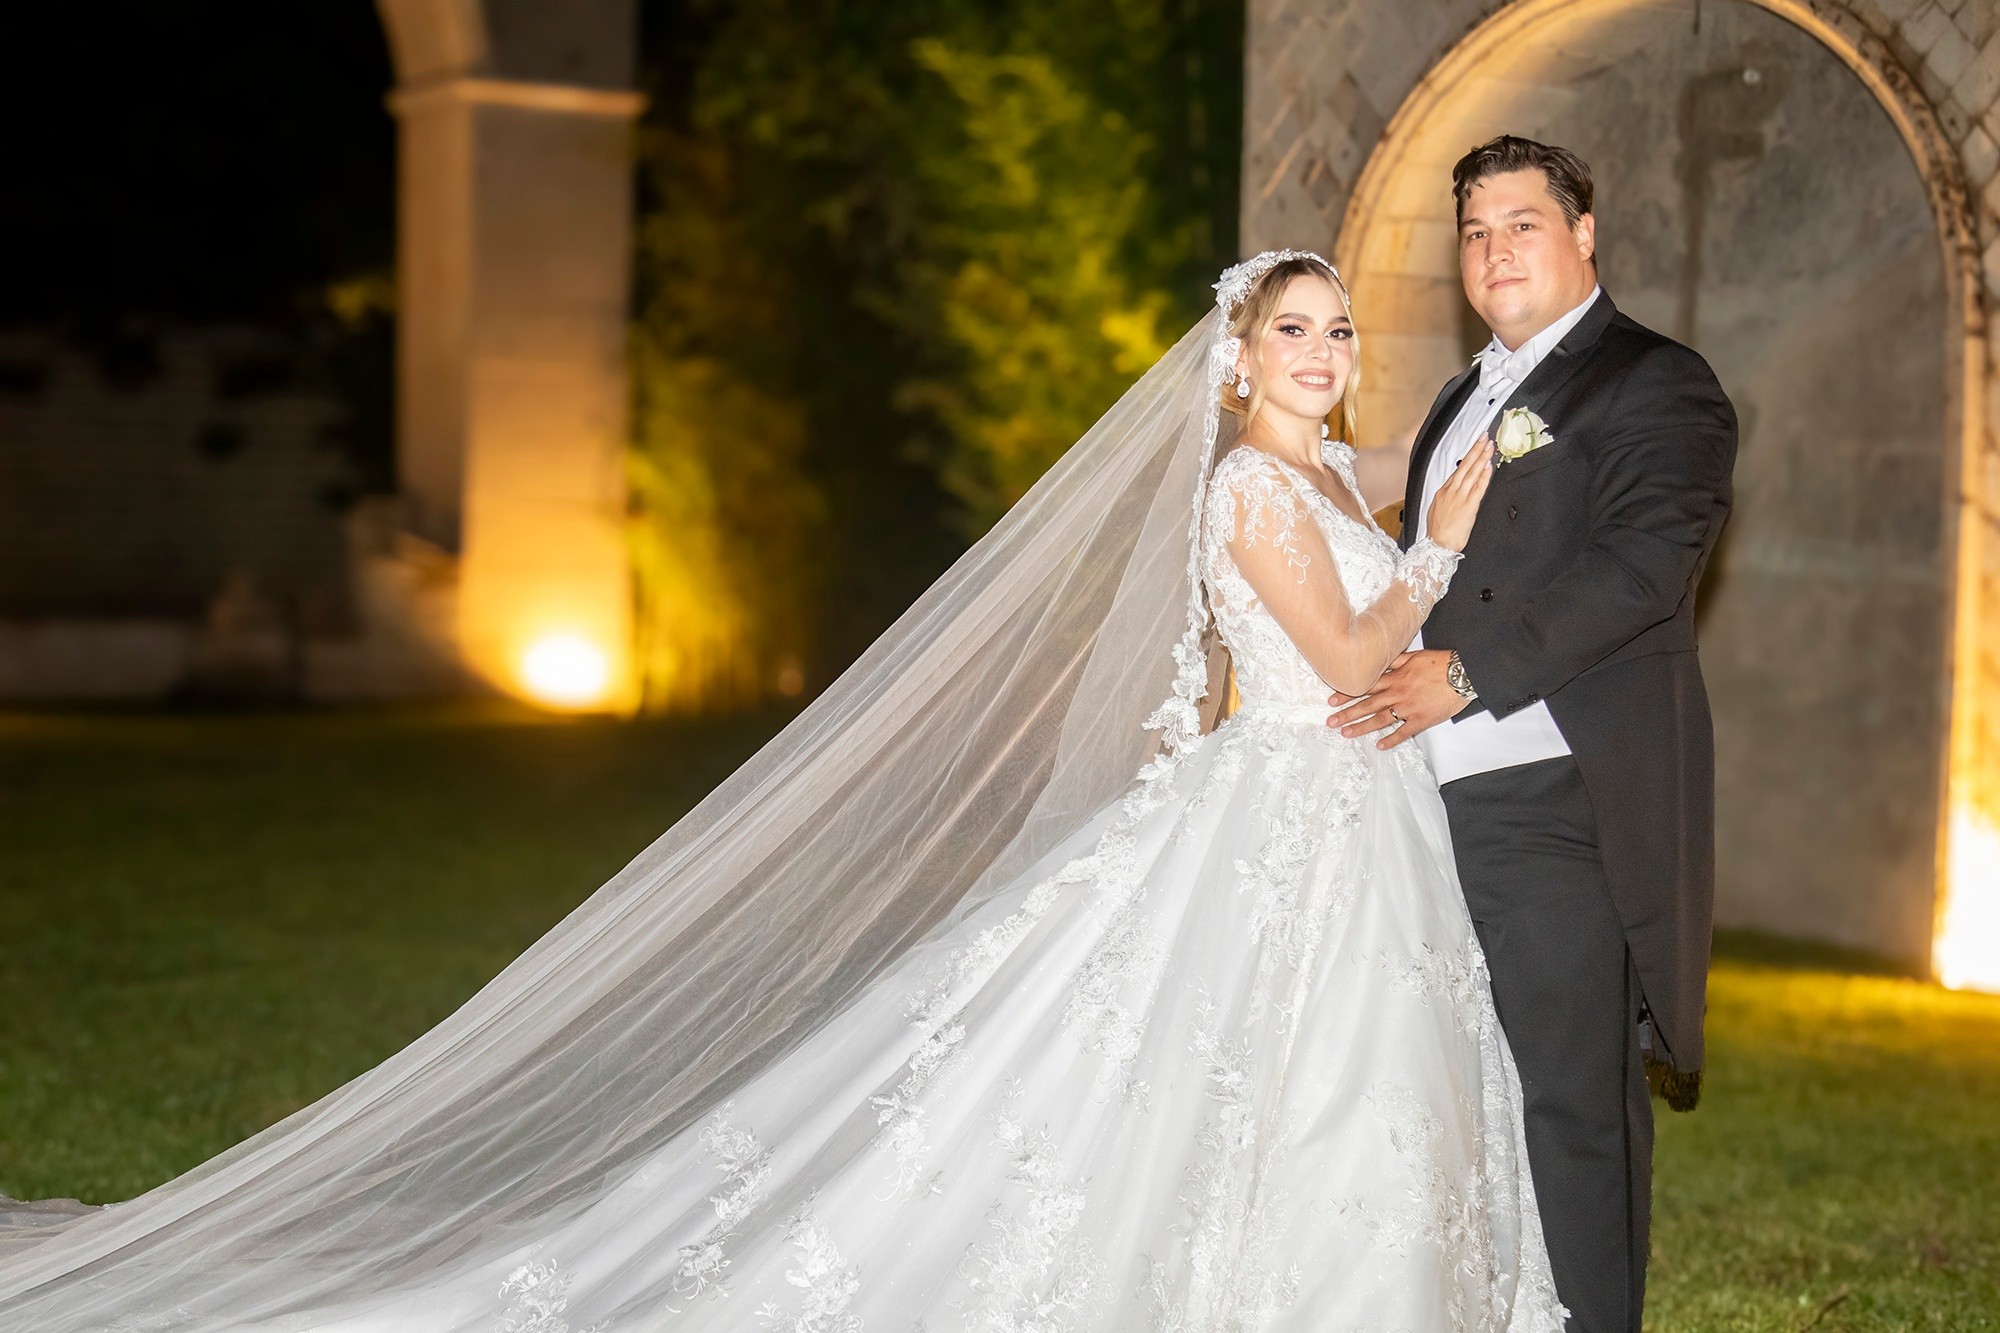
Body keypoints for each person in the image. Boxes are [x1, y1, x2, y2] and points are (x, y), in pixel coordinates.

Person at [0, 253, 1566, 1331]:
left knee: (1328, 1080)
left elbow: (1375, 560)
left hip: (1351, 821)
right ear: (1238, 360)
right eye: (1295, 330)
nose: (1326, 352)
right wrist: (1453, 541)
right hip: (1294, 804)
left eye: (1342, 329)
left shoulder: (1328, 480)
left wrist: (1442, 502)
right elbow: (1362, 641)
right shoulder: (1245, 481)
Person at [1332, 136, 1738, 1333]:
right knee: (1453, 1092)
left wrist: (1465, 674)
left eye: (1520, 222)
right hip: (1422, 805)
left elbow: (1643, 565)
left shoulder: (1656, 382)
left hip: (1556, 797)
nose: (1493, 249)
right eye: (1473, 231)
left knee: (1568, 1102)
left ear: (1583, 234)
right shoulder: (1461, 397)